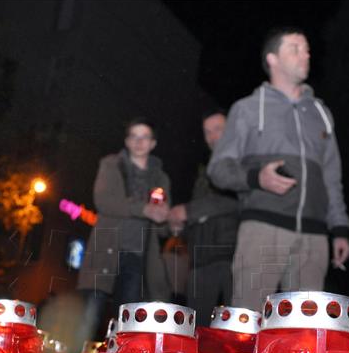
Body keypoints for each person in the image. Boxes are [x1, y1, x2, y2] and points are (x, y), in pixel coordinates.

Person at [207, 27, 349, 312]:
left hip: (313, 238)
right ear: (272, 59)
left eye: (307, 49)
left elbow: (331, 176)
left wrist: (340, 228)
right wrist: (256, 178)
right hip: (262, 230)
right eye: (295, 48)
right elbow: (218, 169)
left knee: (302, 331)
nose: (305, 54)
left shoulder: (321, 113)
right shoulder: (247, 109)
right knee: (247, 320)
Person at [77, 118, 172, 313]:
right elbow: (104, 201)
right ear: (127, 141)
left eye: (145, 137)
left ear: (153, 143)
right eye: (134, 136)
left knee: (126, 321)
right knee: (89, 316)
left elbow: (161, 228)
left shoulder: (161, 178)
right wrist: (143, 209)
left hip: (138, 257)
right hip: (106, 249)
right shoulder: (111, 165)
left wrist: (168, 220)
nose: (139, 142)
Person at [169, 110, 240, 326]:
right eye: (207, 132)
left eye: (218, 129)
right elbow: (198, 214)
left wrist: (189, 210)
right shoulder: (205, 169)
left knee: (237, 330)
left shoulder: (242, 161)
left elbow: (237, 201)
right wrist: (178, 226)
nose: (212, 136)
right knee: (196, 331)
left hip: (232, 259)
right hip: (200, 260)